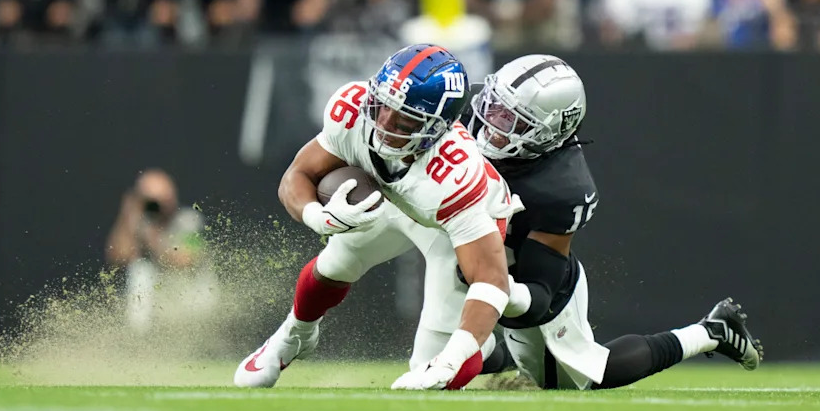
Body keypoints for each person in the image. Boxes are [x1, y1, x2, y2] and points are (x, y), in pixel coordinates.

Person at [459, 54, 764, 389]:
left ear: (547, 131)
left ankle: (710, 333)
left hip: (534, 279)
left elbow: (538, 299)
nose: (492, 124)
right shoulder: (468, 115)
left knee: (584, 377)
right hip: (482, 256)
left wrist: (488, 286)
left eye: (511, 120)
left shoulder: (562, 189)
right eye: (494, 107)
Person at [233, 44, 523, 391]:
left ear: (438, 126)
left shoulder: (456, 176)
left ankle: (488, 345)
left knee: (430, 373)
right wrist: (318, 216)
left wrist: (453, 356)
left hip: (449, 227)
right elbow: (296, 176)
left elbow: (491, 280)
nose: (384, 123)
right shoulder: (353, 110)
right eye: (382, 106)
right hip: (393, 199)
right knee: (336, 262)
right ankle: (292, 336)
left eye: (403, 118)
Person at [105, 169, 213, 332]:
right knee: (140, 270)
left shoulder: (189, 220)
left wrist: (153, 236)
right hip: (157, 296)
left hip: (188, 291)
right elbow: (117, 257)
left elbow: (186, 259)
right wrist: (127, 215)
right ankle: (139, 339)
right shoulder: (141, 223)